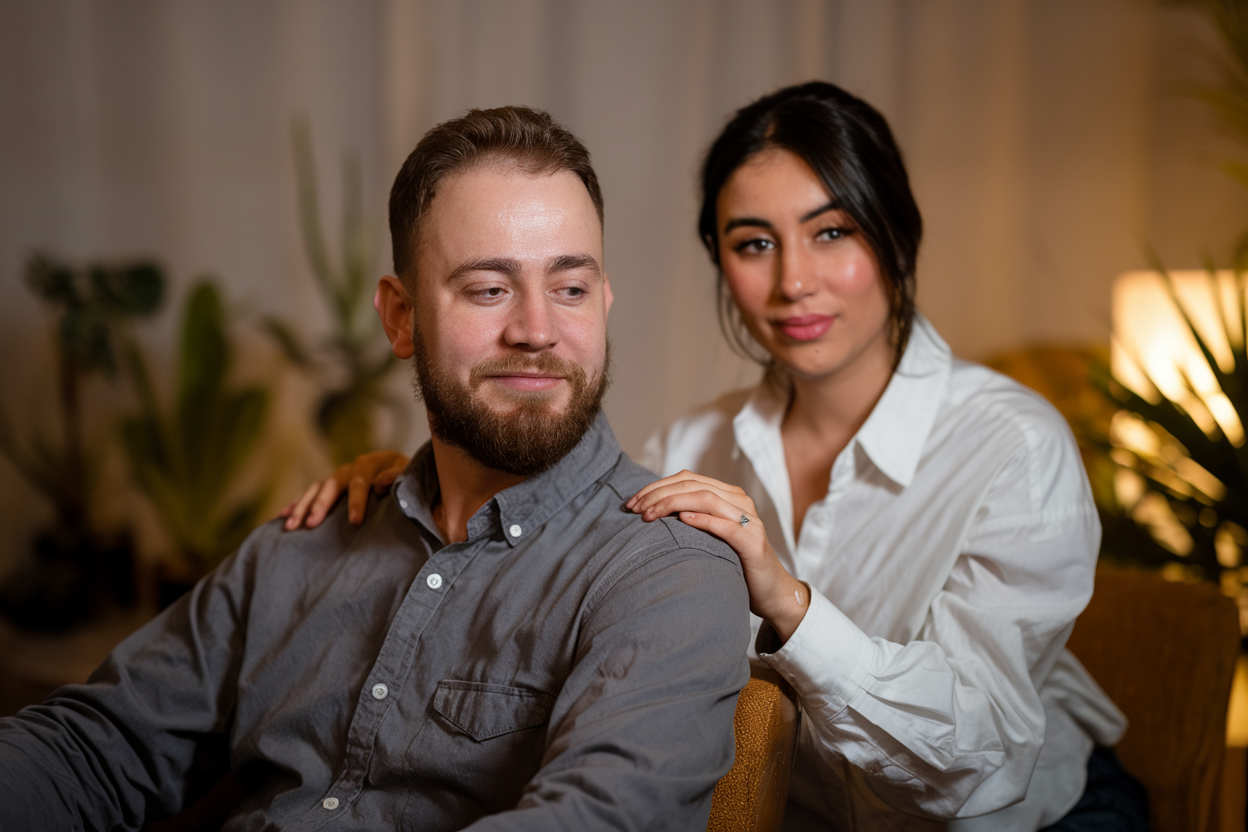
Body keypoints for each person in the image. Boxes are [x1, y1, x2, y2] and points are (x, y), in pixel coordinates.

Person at [286, 83, 1147, 831]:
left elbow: (976, 754)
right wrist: (419, 483)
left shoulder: (1015, 446)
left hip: (1025, 818)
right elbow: (543, 526)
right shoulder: (688, 447)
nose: (794, 283)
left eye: (832, 231)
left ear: (897, 235)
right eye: (754, 243)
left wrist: (791, 606)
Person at [0, 106, 751, 831]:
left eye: (571, 288)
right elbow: (92, 749)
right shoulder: (300, 545)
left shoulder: (666, 570)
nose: (537, 330)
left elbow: (600, 820)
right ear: (399, 318)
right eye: (489, 289)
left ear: (604, 302)